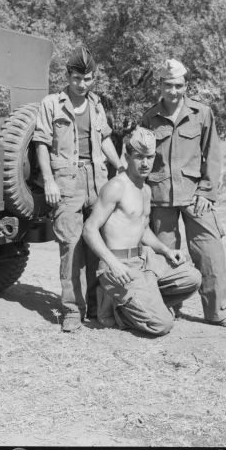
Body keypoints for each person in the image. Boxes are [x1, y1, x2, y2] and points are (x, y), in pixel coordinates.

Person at [141, 59, 226, 328]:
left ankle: (216, 312)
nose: (173, 91)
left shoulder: (202, 113)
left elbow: (213, 154)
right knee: (165, 255)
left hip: (196, 196)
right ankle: (169, 308)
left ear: (186, 86)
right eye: (168, 85)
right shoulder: (149, 118)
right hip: (160, 195)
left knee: (210, 253)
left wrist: (207, 192)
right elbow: (142, 157)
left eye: (178, 85)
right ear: (160, 86)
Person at [34, 46, 124, 332]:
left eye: (87, 79)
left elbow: (106, 138)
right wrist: (48, 179)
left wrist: (119, 164)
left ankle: (97, 306)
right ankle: (72, 309)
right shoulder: (51, 104)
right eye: (76, 79)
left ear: (93, 78)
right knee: (70, 246)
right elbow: (41, 143)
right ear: (68, 76)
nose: (82, 85)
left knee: (97, 245)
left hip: (97, 182)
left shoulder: (97, 104)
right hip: (67, 182)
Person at [82, 127, 202, 336]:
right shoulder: (116, 186)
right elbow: (89, 229)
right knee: (162, 325)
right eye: (139, 157)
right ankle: (112, 307)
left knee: (192, 278)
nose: (145, 163)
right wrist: (113, 264)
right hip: (119, 267)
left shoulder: (145, 189)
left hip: (143, 261)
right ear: (127, 157)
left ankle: (145, 300)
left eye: (149, 157)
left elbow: (142, 228)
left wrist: (165, 250)